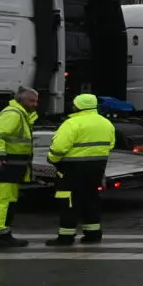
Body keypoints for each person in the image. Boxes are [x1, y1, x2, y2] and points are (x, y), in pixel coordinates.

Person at [44, 93, 116, 247]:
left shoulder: (72, 123)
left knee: (68, 201)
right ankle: (93, 233)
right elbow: (110, 145)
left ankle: (66, 236)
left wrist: (52, 159)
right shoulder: (106, 123)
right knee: (91, 198)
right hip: (97, 167)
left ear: (77, 106)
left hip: (71, 169)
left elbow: (59, 147)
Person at [0, 86, 39, 248]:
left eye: (36, 101)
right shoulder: (14, 114)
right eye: (31, 101)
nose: (35, 104)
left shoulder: (17, 113)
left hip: (8, 166)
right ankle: (1, 235)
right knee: (5, 200)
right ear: (21, 100)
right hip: (7, 166)